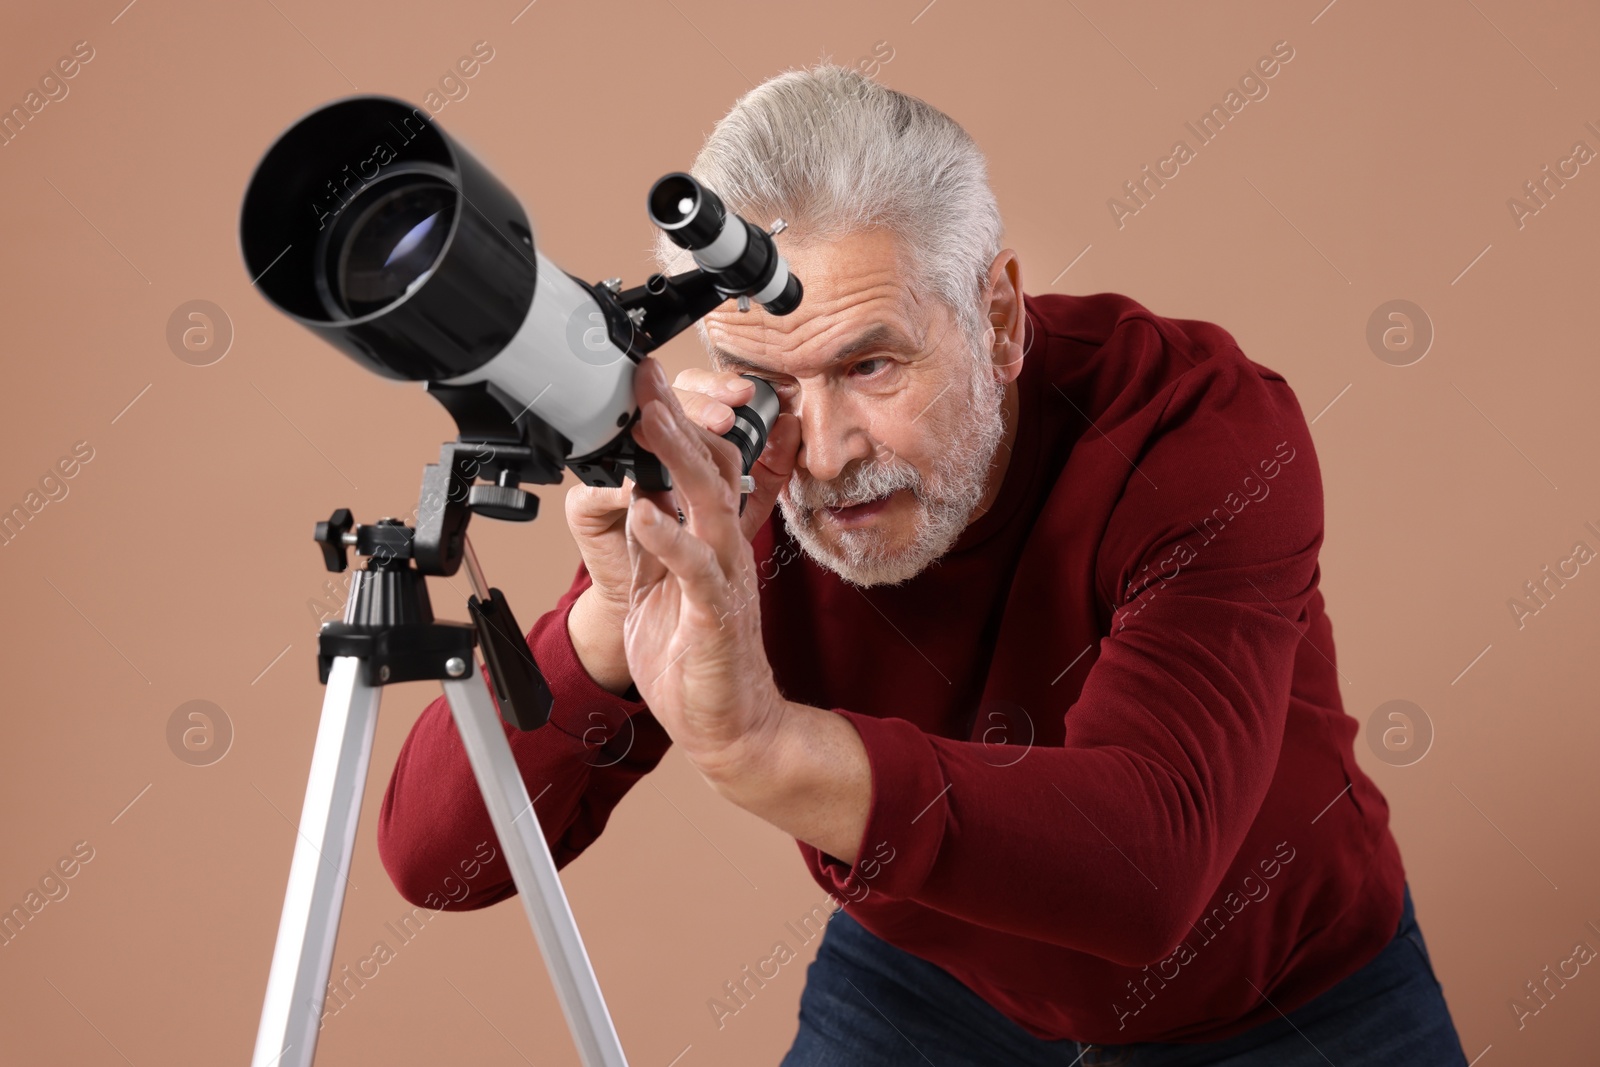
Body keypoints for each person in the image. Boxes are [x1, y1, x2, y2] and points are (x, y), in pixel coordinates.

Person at [376, 64, 1469, 1065]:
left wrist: (764, 748)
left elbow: (1146, 867)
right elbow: (436, 860)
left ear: (995, 317)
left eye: (870, 364)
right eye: (768, 379)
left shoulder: (1195, 424)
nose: (830, 449)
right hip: (932, 985)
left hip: (1285, 1001)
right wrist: (608, 621)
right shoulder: (738, 473)